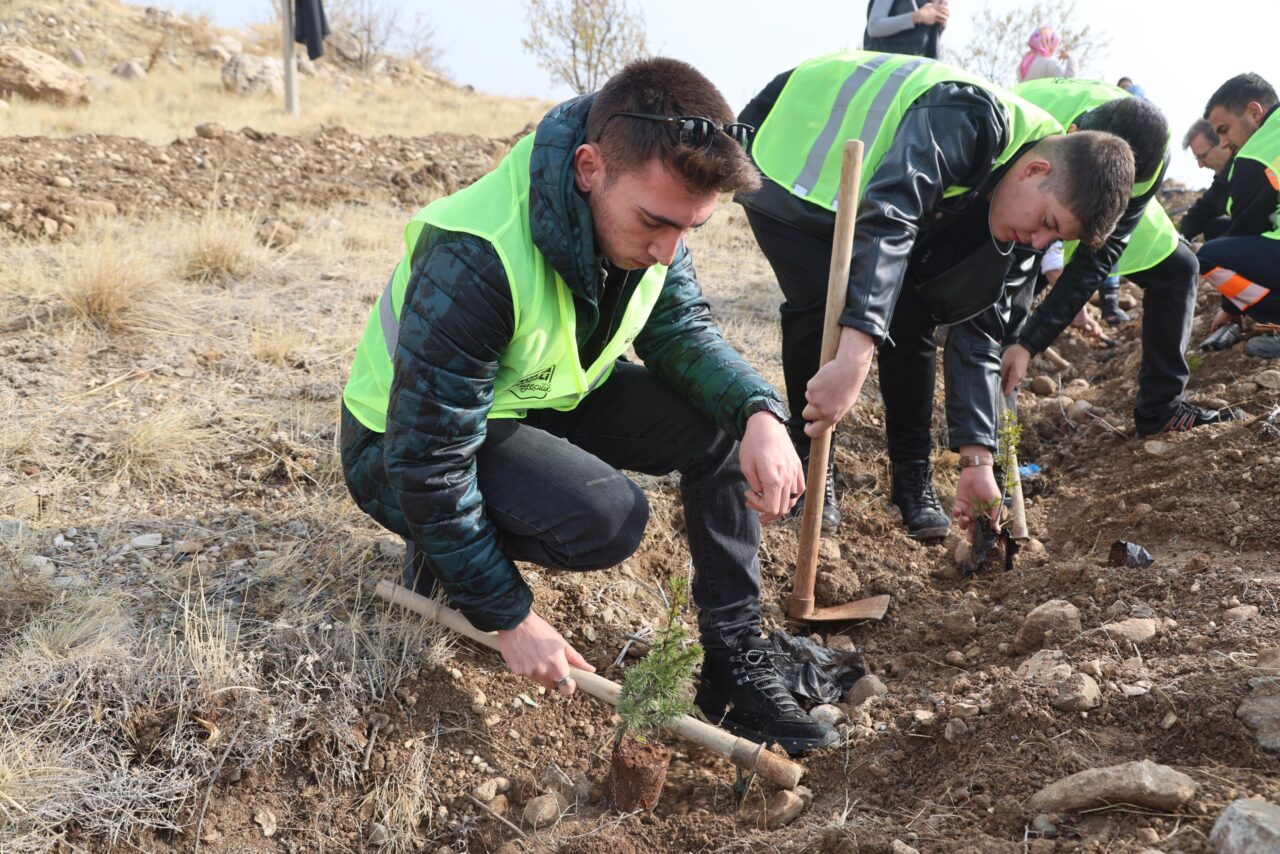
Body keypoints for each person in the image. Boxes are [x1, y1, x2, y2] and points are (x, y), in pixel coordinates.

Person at [340, 57, 840, 755]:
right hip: (398, 445)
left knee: (724, 430)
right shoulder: (477, 255)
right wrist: (509, 615)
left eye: (689, 231)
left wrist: (759, 411)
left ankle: (733, 664)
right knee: (607, 520)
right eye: (656, 224)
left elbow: (682, 332)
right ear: (587, 168)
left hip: (536, 396)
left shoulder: (649, 215)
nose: (668, 252)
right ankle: (445, 560)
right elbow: (428, 457)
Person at [737, 51, 1134, 538]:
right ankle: (814, 468)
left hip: (865, 193)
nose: (1038, 243)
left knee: (914, 314)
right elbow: (891, 212)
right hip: (794, 154)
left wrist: (977, 459)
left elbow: (982, 330)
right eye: (1047, 224)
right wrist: (856, 354)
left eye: (1055, 240)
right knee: (824, 302)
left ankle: (912, 477)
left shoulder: (1022, 213)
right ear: (1034, 171)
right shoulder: (967, 119)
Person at [1002, 78, 1241, 436]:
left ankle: (1161, 409)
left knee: (1178, 268)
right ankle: (988, 443)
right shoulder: (1024, 119)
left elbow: (1097, 256)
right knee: (1012, 283)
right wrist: (1018, 338)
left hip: (1103, 191)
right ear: (1073, 134)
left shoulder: (1150, 153)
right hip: (1025, 190)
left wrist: (1030, 343)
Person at [1199, 72, 1280, 358]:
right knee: (1219, 229)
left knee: (1208, 256)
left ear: (1254, 112)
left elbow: (1246, 228)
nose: (1223, 142)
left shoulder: (1256, 153)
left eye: (1224, 129)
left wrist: (1230, 308)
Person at [1180, 118, 1233, 242]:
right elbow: (1200, 212)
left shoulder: (1249, 171)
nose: (1201, 165)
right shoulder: (1222, 182)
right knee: (1213, 227)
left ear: (1223, 142)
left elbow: (1249, 224)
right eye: (1197, 159)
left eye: (1203, 156)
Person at [863, 0, 948, 59]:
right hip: (884, 66)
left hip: (916, 71)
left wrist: (939, 26)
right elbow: (874, 27)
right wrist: (917, 16)